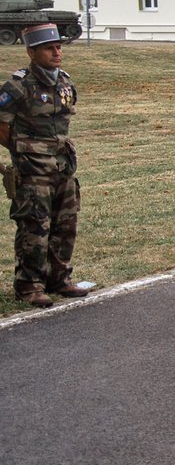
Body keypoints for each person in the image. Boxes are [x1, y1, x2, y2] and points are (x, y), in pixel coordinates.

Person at [0, 24, 90, 308]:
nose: (57, 52)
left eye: (59, 47)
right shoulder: (18, 85)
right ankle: (29, 285)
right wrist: (25, 151)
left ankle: (59, 278)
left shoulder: (64, 81)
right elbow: (2, 128)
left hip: (63, 166)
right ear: (31, 52)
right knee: (35, 228)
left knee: (66, 224)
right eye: (49, 48)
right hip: (33, 170)